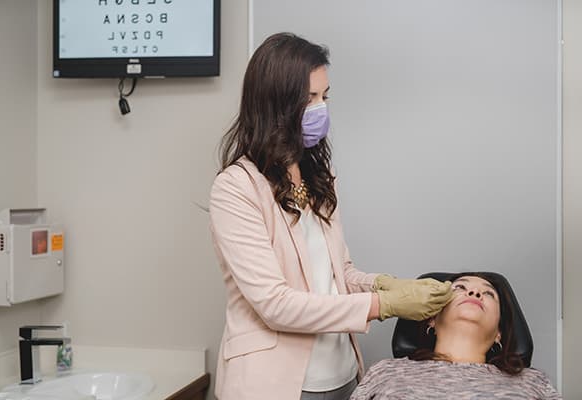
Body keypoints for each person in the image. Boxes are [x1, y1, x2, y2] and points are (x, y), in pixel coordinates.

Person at [208, 32, 453, 400]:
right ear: (276, 104)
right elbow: (275, 305)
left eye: (325, 96)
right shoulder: (236, 188)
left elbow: (338, 274)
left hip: (342, 376)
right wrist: (381, 306)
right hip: (276, 385)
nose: (321, 108)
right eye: (310, 99)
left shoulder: (319, 179)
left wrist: (383, 285)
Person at [350, 272, 562, 399]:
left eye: (489, 293)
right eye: (460, 288)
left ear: (499, 332)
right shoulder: (386, 371)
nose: (475, 293)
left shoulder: (533, 382)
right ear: (431, 318)